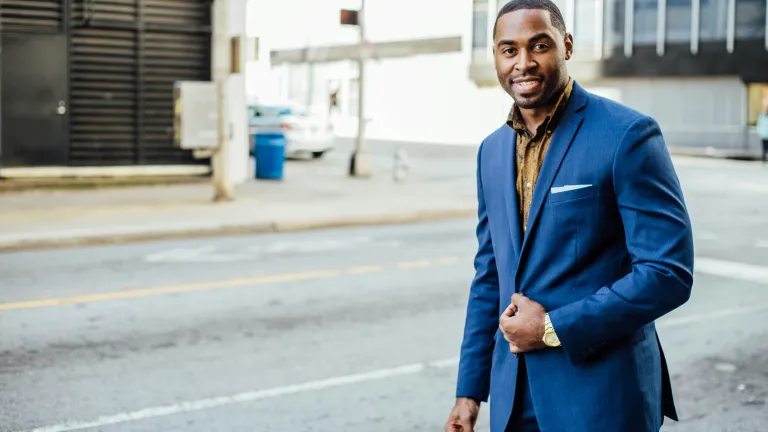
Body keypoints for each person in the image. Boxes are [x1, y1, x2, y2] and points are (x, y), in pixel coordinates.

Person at [444, 1, 694, 431]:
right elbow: (490, 276)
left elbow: (667, 272)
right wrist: (469, 393)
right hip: (513, 400)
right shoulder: (492, 151)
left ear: (567, 47)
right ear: (496, 57)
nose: (523, 63)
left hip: (601, 399)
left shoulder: (626, 134)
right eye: (509, 50)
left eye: (539, 46)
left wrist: (551, 327)